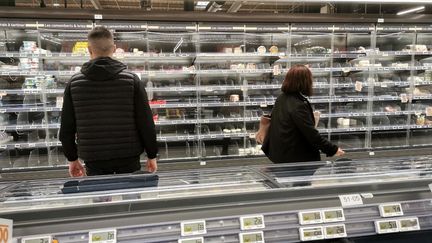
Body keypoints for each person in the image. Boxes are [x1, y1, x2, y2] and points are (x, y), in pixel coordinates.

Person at [60, 26, 158, 177]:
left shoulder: (74, 83)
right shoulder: (131, 80)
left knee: (101, 197)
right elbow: (145, 122)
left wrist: (72, 158)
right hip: (128, 157)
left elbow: (66, 128)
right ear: (113, 49)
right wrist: (152, 154)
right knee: (131, 198)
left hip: (94, 159)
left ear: (89, 49)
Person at [262, 64, 344, 163]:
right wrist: (333, 149)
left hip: (280, 154)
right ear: (304, 82)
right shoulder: (298, 104)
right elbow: (311, 134)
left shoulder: (282, 98)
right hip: (295, 159)